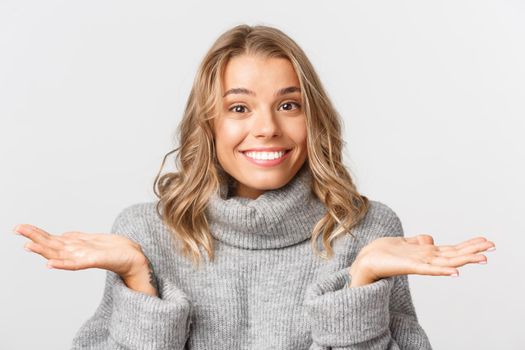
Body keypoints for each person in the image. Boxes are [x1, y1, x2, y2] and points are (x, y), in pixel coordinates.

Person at [13, 24, 495, 349]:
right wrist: (140, 284)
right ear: (209, 123)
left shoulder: (370, 230)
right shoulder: (143, 232)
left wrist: (361, 282)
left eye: (289, 105)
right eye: (239, 108)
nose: (266, 128)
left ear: (313, 118)